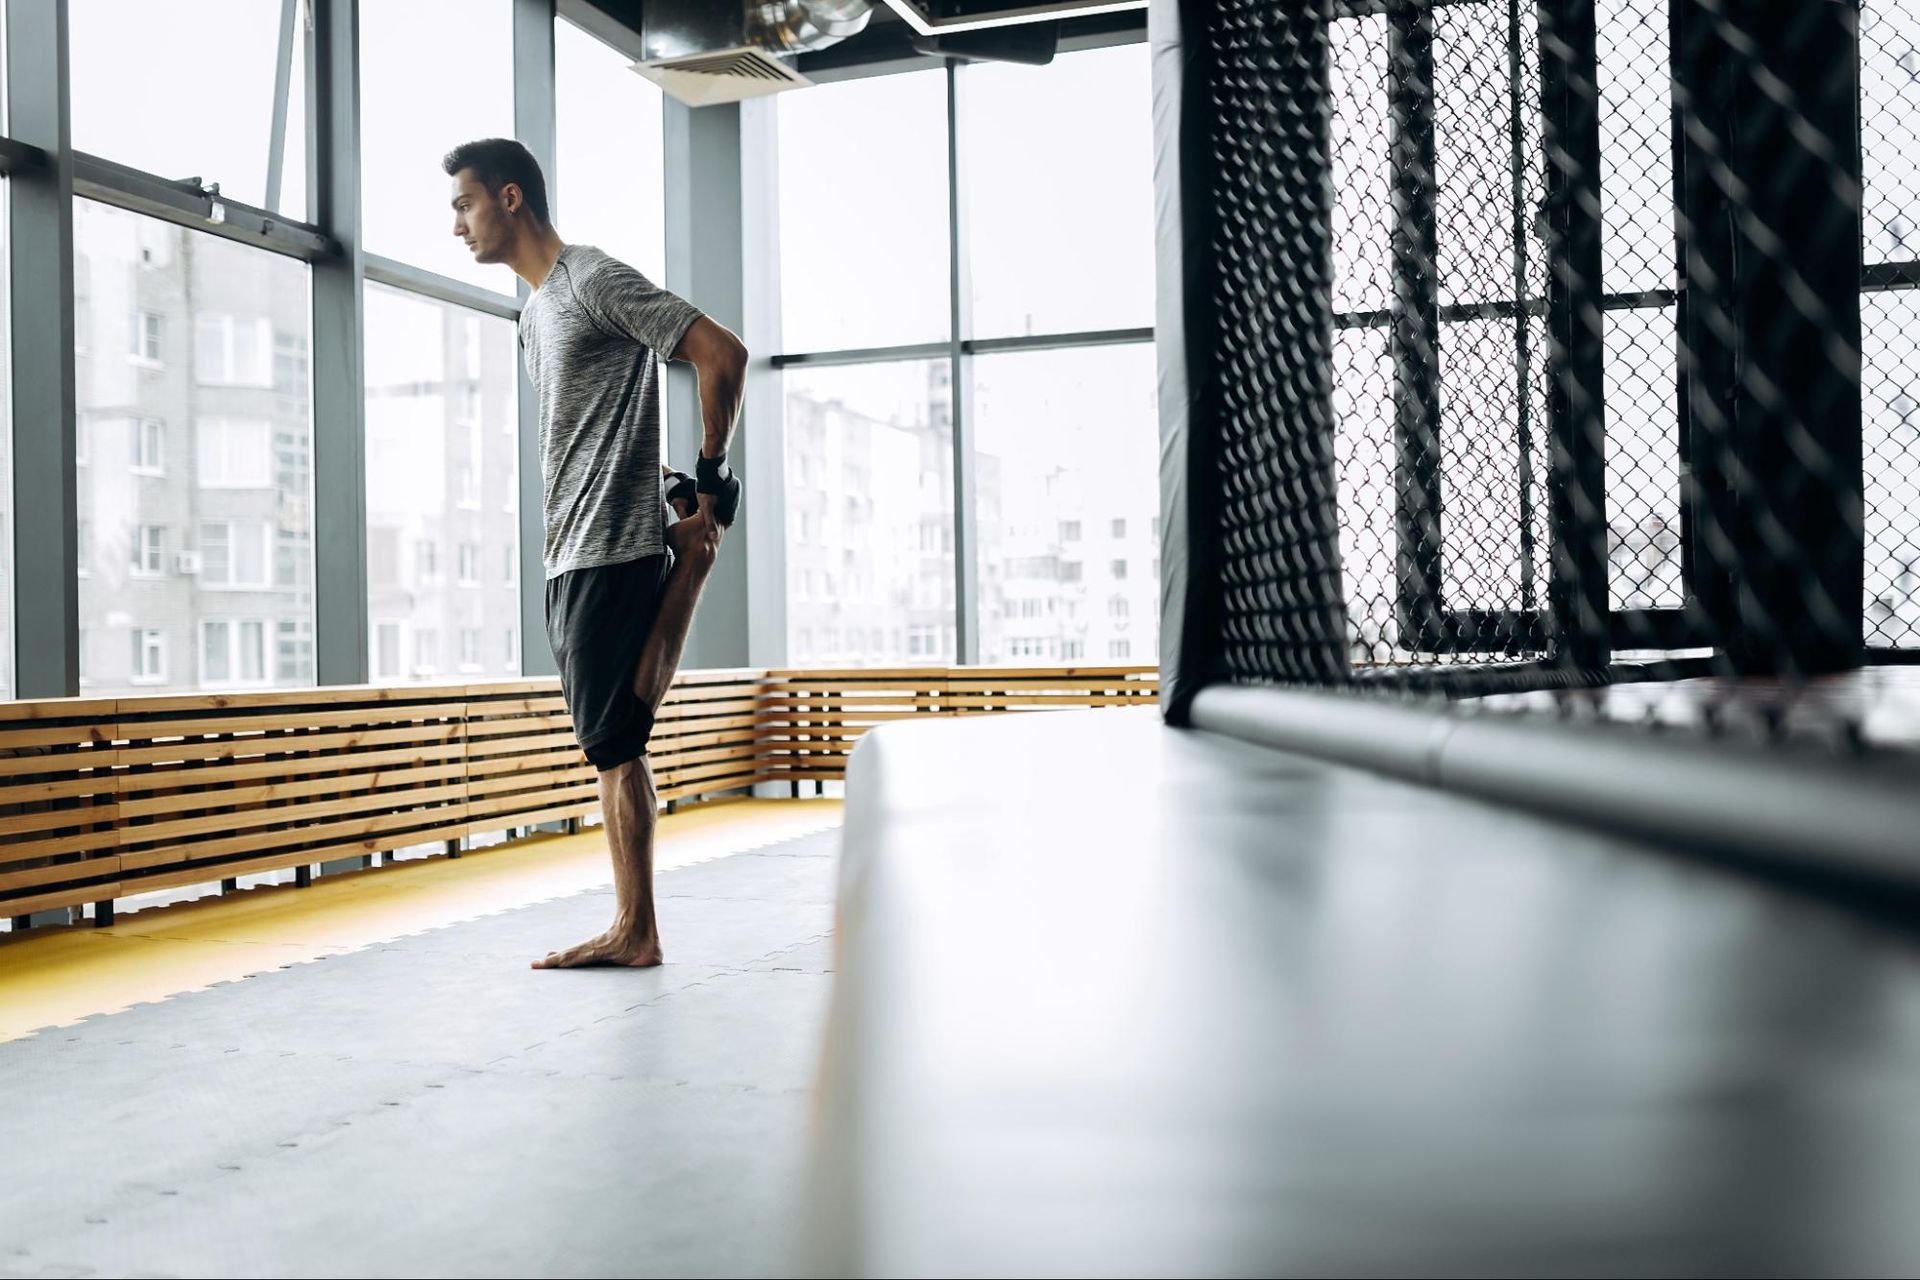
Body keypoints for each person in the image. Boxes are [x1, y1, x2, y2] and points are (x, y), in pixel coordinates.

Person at [443, 137, 747, 969]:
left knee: (617, 742)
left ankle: (635, 929)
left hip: (607, 550)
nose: (457, 225)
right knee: (617, 738)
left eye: (465, 204)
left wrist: (713, 476)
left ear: (510, 199)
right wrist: (674, 486)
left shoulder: (589, 280)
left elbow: (720, 353)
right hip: (571, 552)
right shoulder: (535, 315)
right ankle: (694, 560)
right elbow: (598, 433)